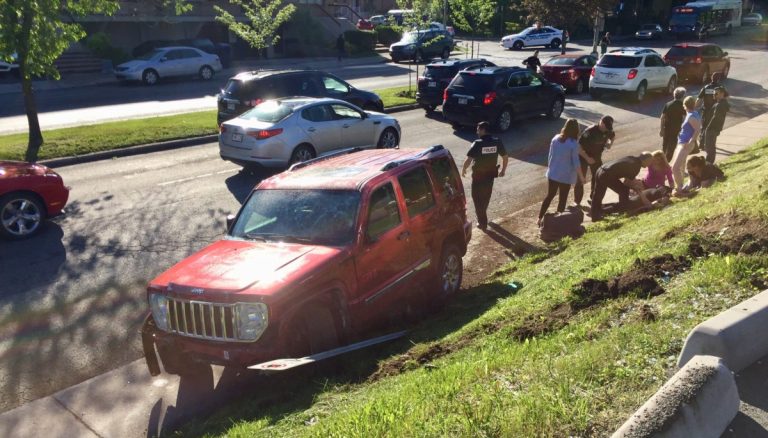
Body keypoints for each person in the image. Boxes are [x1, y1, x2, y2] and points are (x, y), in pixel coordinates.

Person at [462, 121, 509, 231]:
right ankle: (482, 217)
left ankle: (482, 222)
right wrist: (503, 170)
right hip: (490, 175)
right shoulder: (497, 141)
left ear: (483, 130)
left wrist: (464, 168)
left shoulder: (477, 143)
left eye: (478, 129)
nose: (477, 131)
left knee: (476, 198)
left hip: (478, 176)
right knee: (486, 197)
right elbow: (505, 157)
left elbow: (469, 159)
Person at [538, 119, 586, 226]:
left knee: (549, 195)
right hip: (566, 175)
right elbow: (576, 162)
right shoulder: (573, 144)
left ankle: (540, 218)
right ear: (576, 130)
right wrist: (582, 177)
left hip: (553, 173)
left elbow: (550, 156)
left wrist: (551, 168)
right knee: (562, 198)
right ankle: (558, 220)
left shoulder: (555, 138)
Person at [590, 152, 653, 221]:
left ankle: (595, 216)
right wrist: (636, 188)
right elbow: (627, 183)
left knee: (598, 195)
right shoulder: (636, 166)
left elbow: (626, 181)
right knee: (624, 191)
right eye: (650, 162)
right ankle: (624, 211)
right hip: (607, 174)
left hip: (600, 170)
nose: (648, 165)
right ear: (646, 160)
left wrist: (634, 186)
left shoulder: (632, 158)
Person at [573, 115, 615, 206]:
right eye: (605, 127)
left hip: (596, 157)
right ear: (601, 122)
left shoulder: (608, 130)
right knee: (580, 179)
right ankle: (577, 201)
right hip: (583, 156)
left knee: (598, 177)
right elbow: (578, 146)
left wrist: (610, 144)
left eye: (608, 127)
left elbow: (612, 136)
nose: (606, 129)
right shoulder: (590, 131)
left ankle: (594, 199)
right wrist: (587, 158)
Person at [670, 96, 702, 195]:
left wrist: (691, 141)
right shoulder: (694, 113)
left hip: (685, 144)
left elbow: (697, 129)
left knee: (675, 167)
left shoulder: (691, 116)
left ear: (684, 105)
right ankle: (682, 186)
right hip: (683, 143)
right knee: (681, 167)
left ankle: (679, 189)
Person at [696, 72, 724, 148]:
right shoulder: (720, 88)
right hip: (716, 111)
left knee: (704, 127)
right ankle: (711, 144)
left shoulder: (706, 87)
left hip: (706, 110)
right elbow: (725, 98)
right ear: (718, 79)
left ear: (711, 78)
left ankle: (701, 144)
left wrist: (695, 108)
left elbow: (699, 100)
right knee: (713, 128)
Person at [659, 86, 688, 162]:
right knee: (671, 148)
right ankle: (666, 163)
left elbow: (662, 117)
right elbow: (684, 120)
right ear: (683, 96)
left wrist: (661, 129)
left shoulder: (668, 104)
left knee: (664, 146)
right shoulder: (683, 107)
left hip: (666, 128)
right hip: (676, 130)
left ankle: (661, 161)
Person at [703, 86, 730, 164]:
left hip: (712, 129)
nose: (714, 95)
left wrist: (708, 127)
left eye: (716, 93)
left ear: (722, 94)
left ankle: (709, 163)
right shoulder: (722, 103)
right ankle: (709, 162)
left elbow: (715, 117)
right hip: (715, 128)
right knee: (711, 146)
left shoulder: (719, 105)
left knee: (709, 147)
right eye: (714, 93)